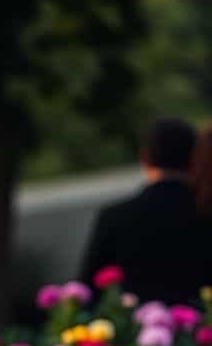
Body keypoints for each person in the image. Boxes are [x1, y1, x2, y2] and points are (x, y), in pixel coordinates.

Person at [78, 117, 208, 304]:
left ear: (145, 157)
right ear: (194, 159)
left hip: (131, 329)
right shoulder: (204, 213)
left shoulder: (116, 217)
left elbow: (88, 291)